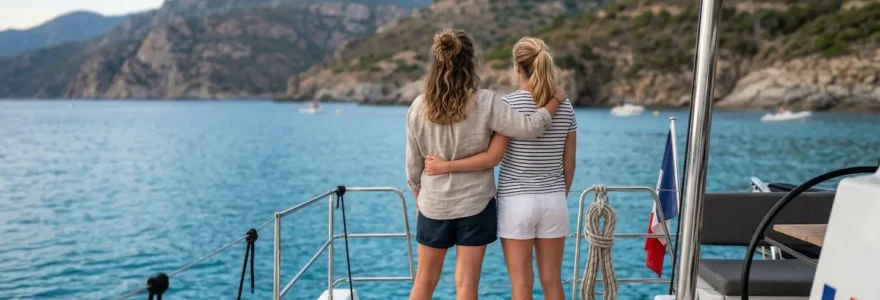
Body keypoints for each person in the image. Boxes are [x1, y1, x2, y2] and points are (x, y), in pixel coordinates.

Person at [405, 29, 567, 300]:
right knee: (467, 284)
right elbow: (529, 128)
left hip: (433, 205)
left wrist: (421, 198)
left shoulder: (418, 106)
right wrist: (554, 102)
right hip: (476, 205)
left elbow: (413, 166)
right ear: (470, 62)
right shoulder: (487, 102)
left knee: (424, 282)